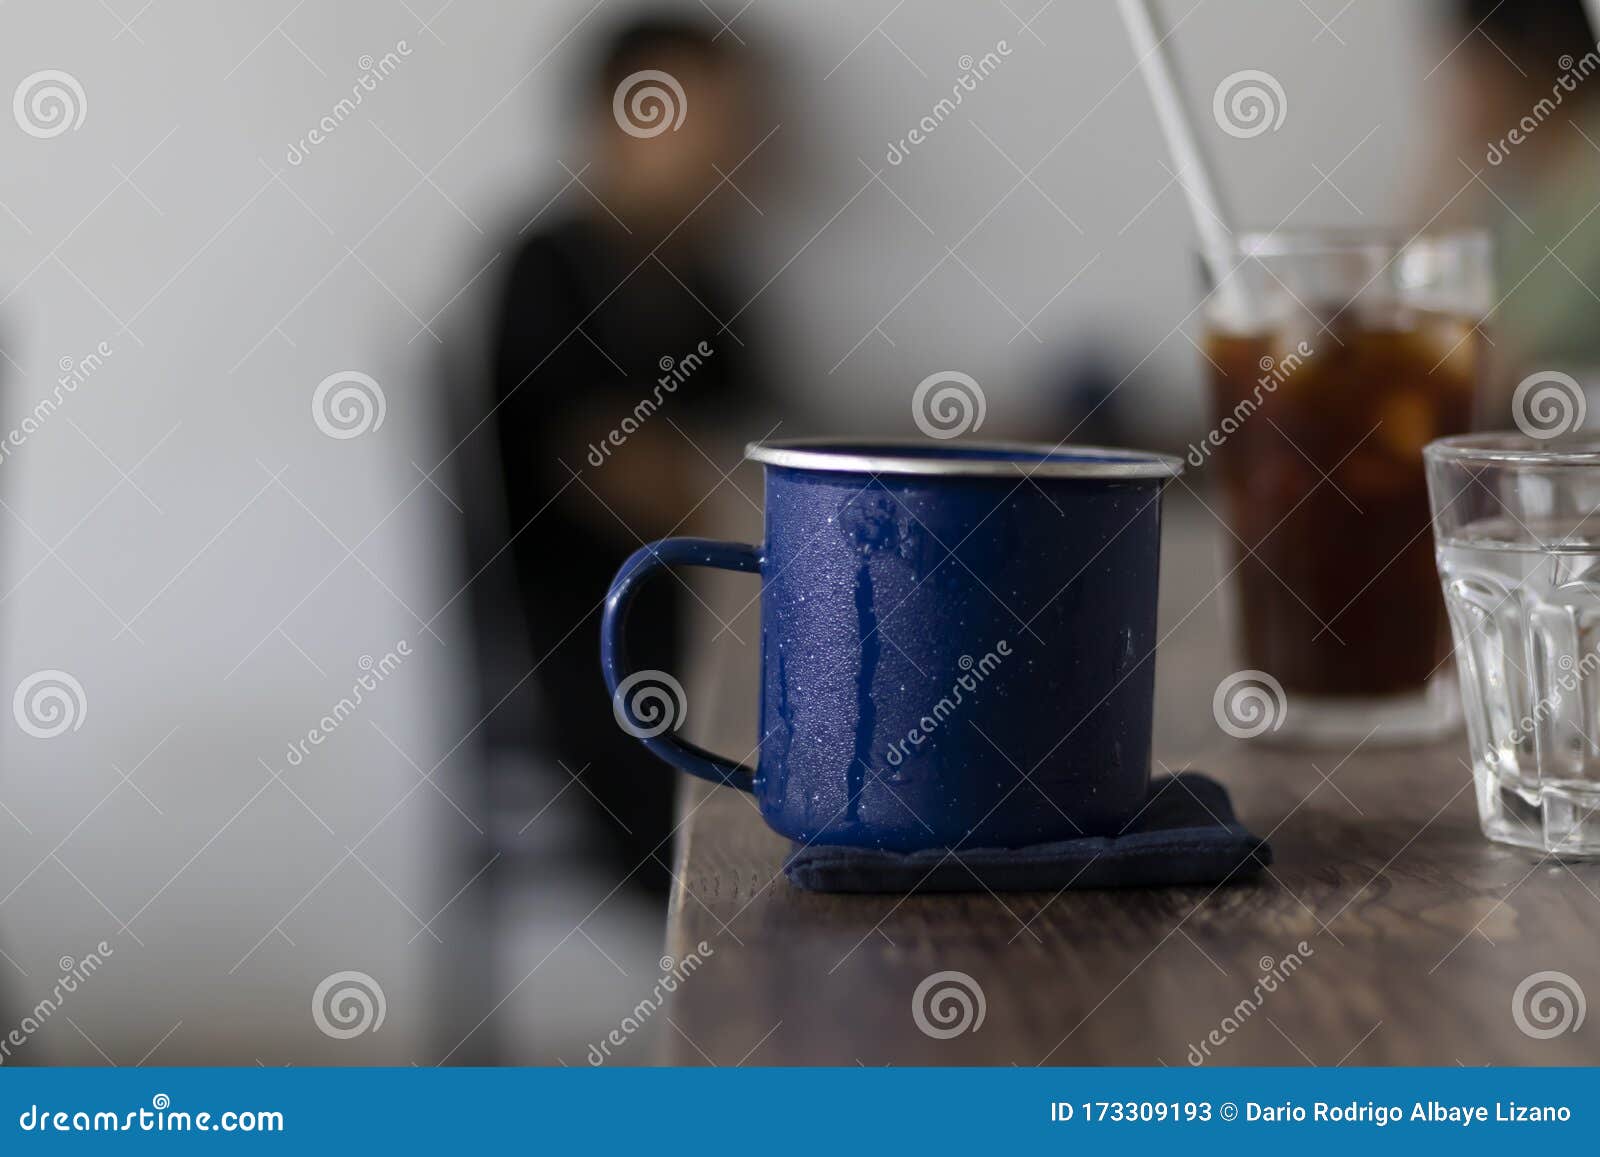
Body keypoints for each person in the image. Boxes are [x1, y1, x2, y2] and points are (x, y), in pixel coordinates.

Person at [480, 12, 771, 894]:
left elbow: (763, 439)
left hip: (707, 634)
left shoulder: (707, 276)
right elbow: (617, 472)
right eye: (697, 119)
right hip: (602, 664)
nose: (726, 147)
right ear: (617, 118)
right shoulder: (547, 266)